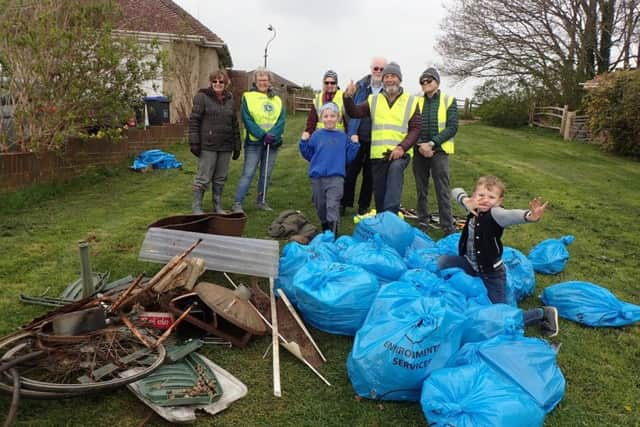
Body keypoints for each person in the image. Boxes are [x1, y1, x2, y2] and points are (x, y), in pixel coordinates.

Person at [437, 176, 559, 337]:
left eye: (491, 197)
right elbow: (455, 190)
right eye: (481, 195)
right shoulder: (473, 207)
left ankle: (542, 313)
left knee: (500, 317)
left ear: (499, 201)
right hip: (469, 262)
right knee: (443, 261)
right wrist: (466, 200)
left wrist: (530, 216)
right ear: (475, 195)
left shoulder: (496, 214)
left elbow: (512, 215)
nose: (485, 200)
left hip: (491, 273)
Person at [343, 62, 421, 214]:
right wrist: (347, 97)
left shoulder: (411, 101)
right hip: (378, 155)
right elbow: (354, 112)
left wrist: (402, 147)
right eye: (387, 77)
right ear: (383, 80)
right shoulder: (374, 100)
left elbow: (416, 128)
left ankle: (391, 216)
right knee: (379, 194)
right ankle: (382, 218)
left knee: (394, 174)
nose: (389, 79)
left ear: (399, 79)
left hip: (400, 153)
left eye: (393, 76)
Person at [299, 102, 360, 235]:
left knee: (332, 205)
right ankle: (325, 226)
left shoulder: (343, 137)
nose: (329, 119)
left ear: (338, 118)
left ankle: (333, 234)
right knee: (320, 206)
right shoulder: (316, 135)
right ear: (321, 118)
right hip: (317, 177)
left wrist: (355, 145)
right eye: (326, 116)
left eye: (332, 116)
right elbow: (309, 155)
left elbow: (348, 158)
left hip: (336, 178)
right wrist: (303, 143)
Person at [231, 68, 286, 213]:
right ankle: (237, 203)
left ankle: (261, 201)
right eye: (260, 80)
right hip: (254, 142)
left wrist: (273, 136)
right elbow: (247, 119)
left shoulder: (277, 100)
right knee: (248, 173)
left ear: (270, 82)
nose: (263, 82)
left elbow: (281, 120)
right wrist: (262, 135)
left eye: (265, 80)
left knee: (266, 174)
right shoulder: (248, 97)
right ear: (255, 81)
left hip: (272, 144)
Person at [413, 67, 458, 235]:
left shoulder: (448, 100)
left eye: (429, 80)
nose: (425, 84)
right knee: (421, 188)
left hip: (439, 151)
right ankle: (422, 221)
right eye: (422, 82)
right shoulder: (416, 101)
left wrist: (431, 144)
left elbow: (452, 127)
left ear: (437, 82)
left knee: (442, 189)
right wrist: (420, 145)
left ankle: (447, 226)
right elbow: (412, 126)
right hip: (419, 151)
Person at [189, 70, 241, 214]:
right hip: (208, 145)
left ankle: (217, 205)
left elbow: (234, 124)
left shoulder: (230, 99)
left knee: (220, 178)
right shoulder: (202, 97)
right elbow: (194, 120)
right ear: (211, 83)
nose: (218, 84)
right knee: (203, 177)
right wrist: (194, 142)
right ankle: (197, 206)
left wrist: (237, 145)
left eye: (221, 81)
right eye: (215, 81)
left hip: (226, 145)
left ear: (226, 83)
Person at [341, 56, 387, 217]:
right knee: (350, 171)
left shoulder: (388, 90)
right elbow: (347, 110)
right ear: (371, 69)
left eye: (382, 69)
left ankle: (363, 206)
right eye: (376, 68)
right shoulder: (359, 86)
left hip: (376, 139)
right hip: (357, 136)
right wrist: (351, 132)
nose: (379, 72)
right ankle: (344, 203)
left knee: (370, 175)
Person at [302, 70, 347, 138]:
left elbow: (348, 122)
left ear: (336, 84)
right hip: (320, 137)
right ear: (323, 83)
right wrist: (308, 133)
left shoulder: (344, 97)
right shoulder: (318, 98)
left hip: (337, 137)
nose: (329, 85)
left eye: (332, 83)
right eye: (326, 83)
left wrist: (349, 139)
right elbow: (311, 121)